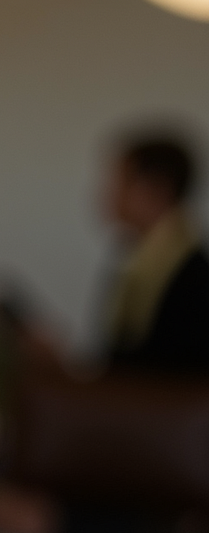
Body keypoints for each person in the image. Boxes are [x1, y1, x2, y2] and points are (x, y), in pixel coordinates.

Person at [100, 129, 209, 375]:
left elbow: (156, 379)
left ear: (159, 188)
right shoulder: (140, 265)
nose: (109, 195)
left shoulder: (193, 278)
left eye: (122, 182)